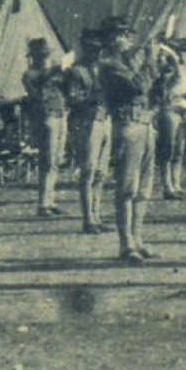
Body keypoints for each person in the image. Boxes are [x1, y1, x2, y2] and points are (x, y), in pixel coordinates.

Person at [97, 17, 159, 264]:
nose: (125, 39)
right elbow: (138, 87)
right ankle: (126, 243)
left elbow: (154, 90)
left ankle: (138, 238)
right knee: (127, 187)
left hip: (144, 125)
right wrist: (151, 60)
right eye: (119, 34)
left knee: (143, 189)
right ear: (109, 40)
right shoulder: (109, 65)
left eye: (126, 34)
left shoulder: (129, 62)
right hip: (127, 126)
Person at [64, 27, 111, 235]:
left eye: (100, 49)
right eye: (93, 49)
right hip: (86, 121)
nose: (98, 53)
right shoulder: (76, 71)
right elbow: (73, 98)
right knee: (88, 171)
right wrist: (93, 98)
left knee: (101, 172)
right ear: (86, 48)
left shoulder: (103, 69)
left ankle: (97, 214)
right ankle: (88, 218)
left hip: (104, 120)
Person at [22, 37, 68, 218]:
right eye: (41, 56)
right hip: (46, 116)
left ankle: (51, 200)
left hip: (60, 114)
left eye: (46, 55)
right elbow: (36, 91)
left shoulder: (53, 73)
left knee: (56, 160)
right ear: (34, 57)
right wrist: (53, 72)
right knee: (47, 160)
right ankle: (43, 203)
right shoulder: (30, 75)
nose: (45, 59)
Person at [154, 36, 186, 200]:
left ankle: (176, 184)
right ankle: (167, 185)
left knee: (180, 149)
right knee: (168, 148)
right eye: (185, 52)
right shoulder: (170, 68)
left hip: (183, 110)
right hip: (170, 109)